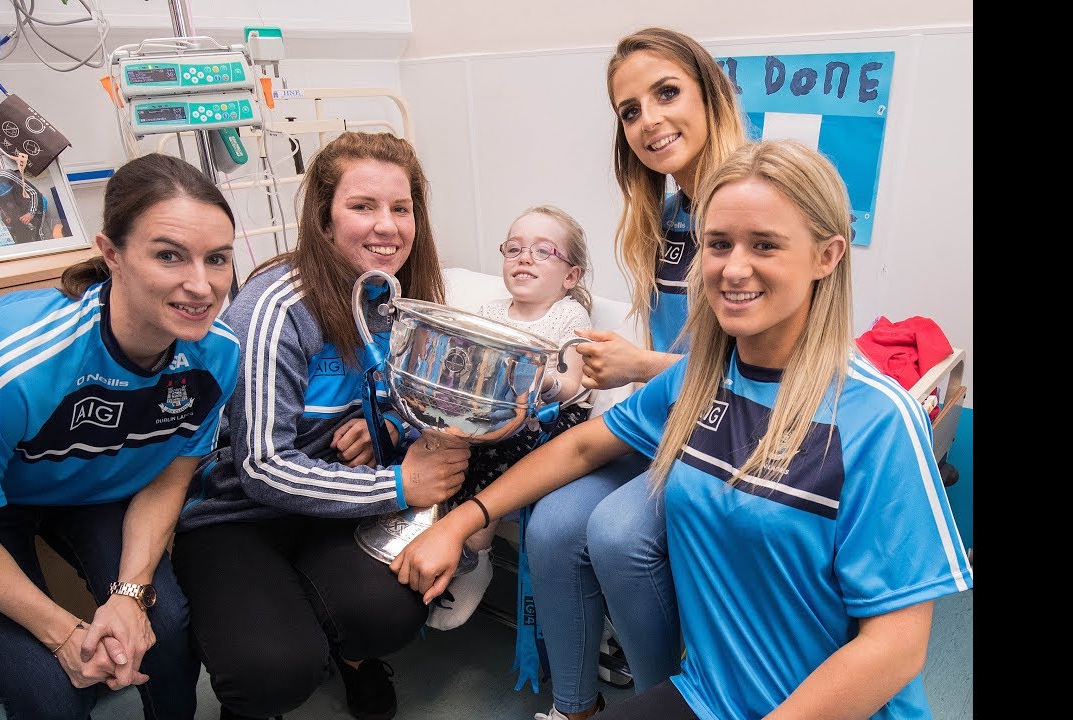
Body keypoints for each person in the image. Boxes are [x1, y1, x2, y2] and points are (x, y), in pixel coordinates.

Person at [392, 139, 975, 719]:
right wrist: (464, 522)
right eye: (718, 244)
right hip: (709, 696)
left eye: (765, 244)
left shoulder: (875, 420)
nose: (733, 267)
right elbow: (585, 444)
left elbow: (895, 649)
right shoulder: (701, 381)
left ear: (827, 256)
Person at [0, 152, 242, 720]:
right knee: (52, 695)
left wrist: (128, 596)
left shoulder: (218, 353)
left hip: (92, 480)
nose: (201, 286)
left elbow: (167, 481)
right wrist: (60, 632)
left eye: (218, 259)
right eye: (169, 255)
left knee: (168, 624)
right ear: (112, 255)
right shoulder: (6, 368)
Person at [172, 131, 471, 720]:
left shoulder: (404, 300)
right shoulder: (277, 308)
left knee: (389, 613)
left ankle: (353, 656)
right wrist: (398, 487)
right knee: (273, 671)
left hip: (333, 500)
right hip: (238, 513)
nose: (387, 226)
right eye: (363, 206)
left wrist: (384, 426)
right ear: (325, 220)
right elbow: (260, 467)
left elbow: (408, 403)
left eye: (401, 208)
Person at [518, 27, 750, 719]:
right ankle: (574, 706)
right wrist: (598, 361)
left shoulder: (747, 202)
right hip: (670, 419)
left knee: (618, 535)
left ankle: (662, 705)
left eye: (667, 93)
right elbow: (670, 342)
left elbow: (757, 369)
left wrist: (640, 365)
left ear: (710, 94)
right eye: (629, 110)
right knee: (552, 526)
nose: (649, 119)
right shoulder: (665, 213)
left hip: (730, 431)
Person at [426, 205, 593, 632]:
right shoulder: (490, 312)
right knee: (446, 447)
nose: (524, 258)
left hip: (548, 422)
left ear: (570, 276)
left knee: (496, 462)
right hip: (496, 415)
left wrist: (542, 382)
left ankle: (474, 557)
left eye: (542, 251)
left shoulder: (568, 315)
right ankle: (435, 537)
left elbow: (571, 384)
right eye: (514, 248)